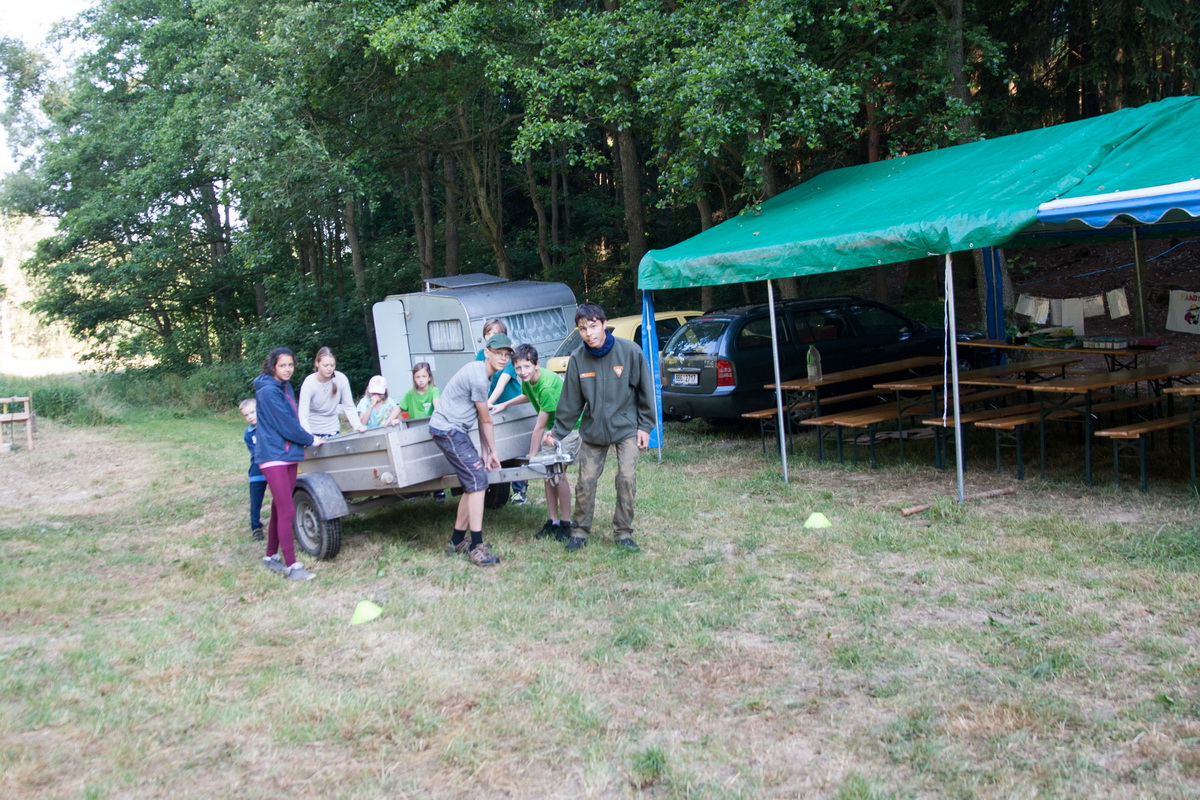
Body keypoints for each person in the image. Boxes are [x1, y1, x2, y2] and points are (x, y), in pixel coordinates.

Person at [544, 302, 654, 552]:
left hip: (626, 427)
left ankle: (623, 533)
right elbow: (570, 401)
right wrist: (557, 432)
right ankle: (579, 531)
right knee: (586, 481)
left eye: (593, 326)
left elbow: (645, 390)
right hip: (594, 430)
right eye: (583, 329)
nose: (589, 333)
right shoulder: (577, 359)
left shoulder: (629, 351)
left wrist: (645, 426)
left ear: (604, 324)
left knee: (626, 478)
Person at [429, 334, 514, 566]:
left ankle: (457, 540)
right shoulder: (479, 377)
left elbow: (478, 415)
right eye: (499, 353)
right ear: (487, 352)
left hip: (454, 430)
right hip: (448, 429)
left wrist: (486, 450)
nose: (503, 358)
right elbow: (486, 419)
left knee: (472, 482)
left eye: (507, 355)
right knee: (478, 481)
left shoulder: (484, 374)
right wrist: (493, 452)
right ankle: (477, 545)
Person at [253, 347, 324, 580]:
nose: (287, 369)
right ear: (273, 365)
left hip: (288, 454)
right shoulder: (268, 391)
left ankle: (270, 557)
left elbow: (293, 420)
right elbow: (286, 425)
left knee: (278, 507)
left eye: (290, 365)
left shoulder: (284, 386)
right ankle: (292, 566)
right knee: (286, 510)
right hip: (273, 456)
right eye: (282, 365)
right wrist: (310, 439)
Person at [511, 344, 580, 543]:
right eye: (518, 368)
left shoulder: (547, 386)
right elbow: (527, 396)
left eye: (526, 367)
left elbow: (539, 427)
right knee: (547, 475)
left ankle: (566, 523)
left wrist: (531, 457)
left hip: (569, 427)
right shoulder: (527, 380)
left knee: (558, 474)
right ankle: (553, 521)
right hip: (552, 428)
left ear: (537, 365)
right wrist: (504, 404)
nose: (522, 371)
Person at [474, 318, 527, 504]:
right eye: (488, 333)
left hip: (511, 406)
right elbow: (479, 379)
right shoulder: (481, 355)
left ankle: (519, 491)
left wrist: (487, 402)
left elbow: (502, 383)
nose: (491, 336)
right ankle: (495, 486)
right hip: (491, 408)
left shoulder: (508, 356)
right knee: (495, 445)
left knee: (516, 449)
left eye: (495, 333)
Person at [298, 346, 366, 435]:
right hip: (313, 431)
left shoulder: (341, 379)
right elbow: (303, 414)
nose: (329, 369)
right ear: (317, 363)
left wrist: (358, 426)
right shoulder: (309, 383)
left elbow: (349, 406)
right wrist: (309, 436)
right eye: (325, 365)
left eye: (332, 365)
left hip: (333, 430)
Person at [238, 398, 266, 542]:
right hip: (257, 472)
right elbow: (256, 452)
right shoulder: (248, 434)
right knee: (256, 501)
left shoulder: (269, 426)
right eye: (246, 415)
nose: (250, 416)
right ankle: (256, 526)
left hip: (274, 469)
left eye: (252, 412)